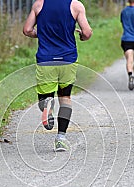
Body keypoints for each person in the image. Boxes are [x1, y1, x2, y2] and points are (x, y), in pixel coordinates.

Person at [23, 0, 92, 152]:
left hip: (45, 59)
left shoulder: (38, 5)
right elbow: (87, 33)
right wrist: (82, 37)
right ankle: (61, 138)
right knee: (65, 98)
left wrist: (41, 34)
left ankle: (47, 107)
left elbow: (27, 30)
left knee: (45, 98)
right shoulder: (76, 6)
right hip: (68, 59)